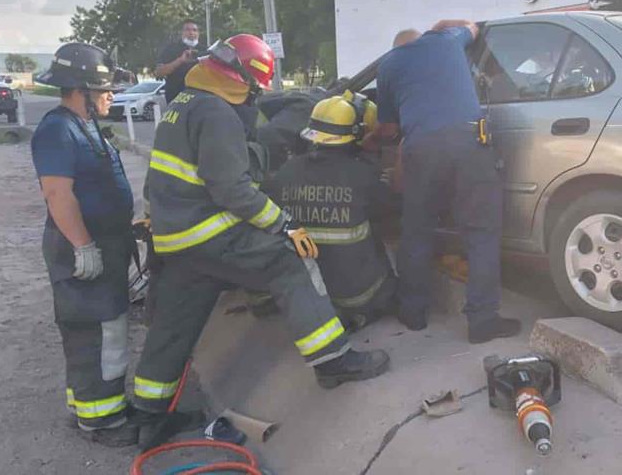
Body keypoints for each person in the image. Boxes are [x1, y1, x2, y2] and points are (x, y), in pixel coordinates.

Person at [133, 34, 389, 422]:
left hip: (176, 239)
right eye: (254, 88)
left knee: (175, 322)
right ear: (242, 80)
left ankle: (149, 413)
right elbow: (232, 189)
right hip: (209, 231)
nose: (254, 96)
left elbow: (160, 180)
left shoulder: (182, 104)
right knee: (290, 261)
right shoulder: (217, 113)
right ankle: (333, 361)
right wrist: (284, 225)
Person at [371, 21, 521, 344]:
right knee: (480, 232)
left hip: (421, 149)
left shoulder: (388, 65)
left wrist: (369, 140)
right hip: (469, 142)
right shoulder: (447, 39)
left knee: (416, 231)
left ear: (396, 48)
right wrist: (440, 26)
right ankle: (482, 321)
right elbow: (472, 27)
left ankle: (413, 313)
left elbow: (387, 127)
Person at [31, 43, 138, 446]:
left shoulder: (85, 124)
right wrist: (83, 246)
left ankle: (87, 406)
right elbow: (58, 194)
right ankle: (103, 422)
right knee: (99, 332)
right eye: (103, 88)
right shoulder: (57, 129)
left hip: (102, 243)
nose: (111, 94)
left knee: (91, 331)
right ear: (81, 89)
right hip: (82, 249)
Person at [264, 91, 398, 331]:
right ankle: (362, 314)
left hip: (311, 294)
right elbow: (393, 208)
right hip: (357, 295)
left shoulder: (286, 172)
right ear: (355, 134)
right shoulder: (361, 176)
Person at [156, 19, 203, 103]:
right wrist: (180, 60)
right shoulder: (170, 49)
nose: (191, 33)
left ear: (198, 33)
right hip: (176, 97)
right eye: (187, 30)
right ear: (182, 32)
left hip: (200, 97)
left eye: (194, 30)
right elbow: (160, 72)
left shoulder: (205, 50)